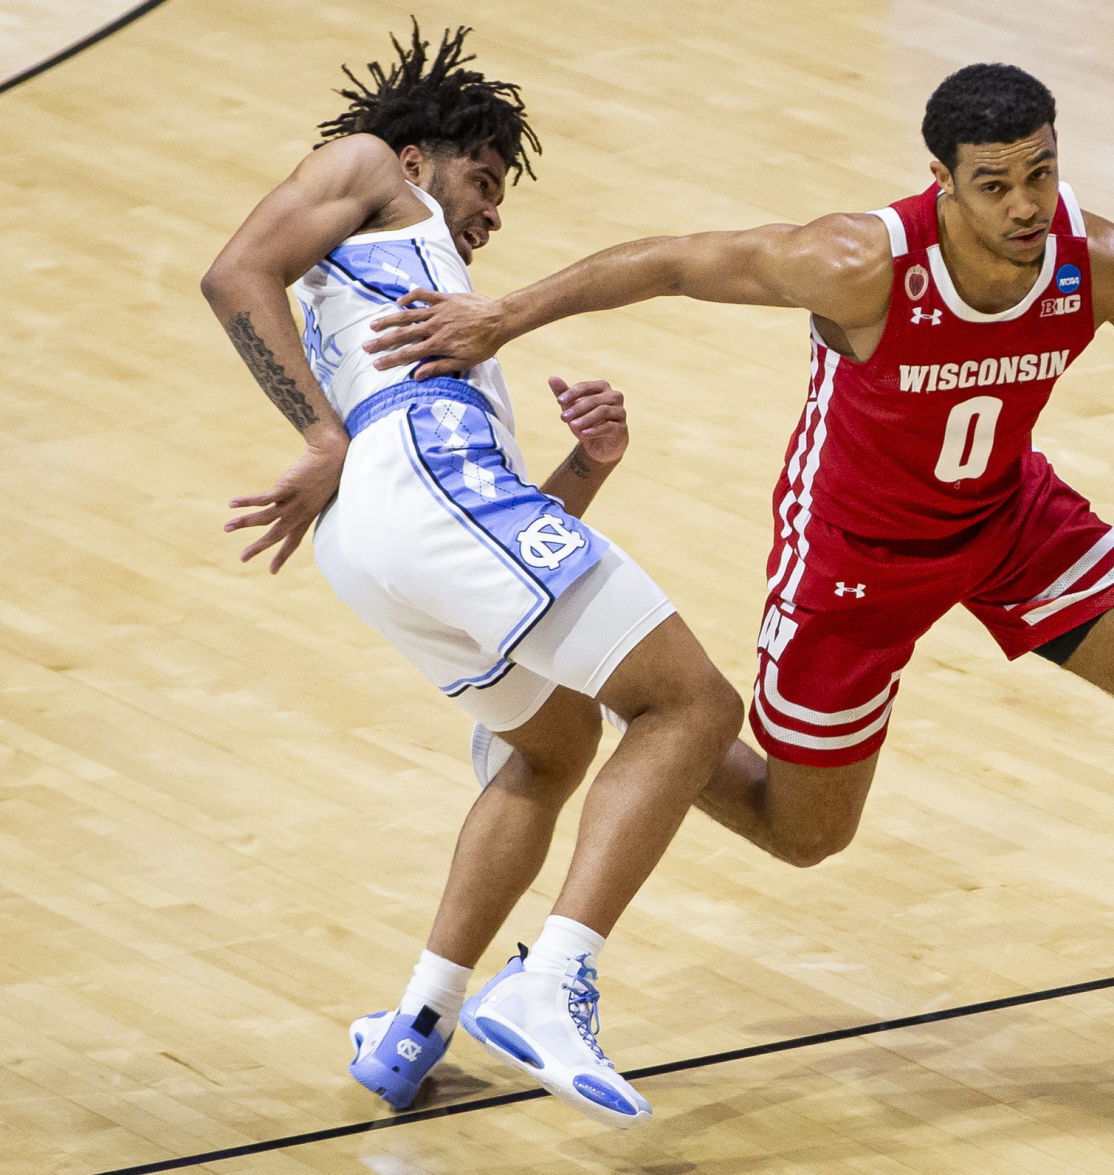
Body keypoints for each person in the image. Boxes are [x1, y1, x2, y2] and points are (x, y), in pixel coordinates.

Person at [366, 63, 1114, 1039]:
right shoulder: (858, 263)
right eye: (993, 183)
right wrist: (500, 316)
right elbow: (673, 259)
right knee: (802, 833)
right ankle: (643, 715)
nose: (1021, 204)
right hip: (853, 555)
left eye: (1039, 174)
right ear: (942, 181)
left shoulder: (1099, 260)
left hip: (1009, 520)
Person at [199, 23, 743, 1127]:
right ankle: (550, 979)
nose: (492, 210)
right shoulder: (366, 166)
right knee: (691, 705)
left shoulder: (432, 304)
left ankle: (417, 1023)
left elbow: (484, 528)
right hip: (399, 487)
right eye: (483, 178)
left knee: (551, 746)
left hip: (384, 535)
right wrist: (318, 435)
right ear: (416, 160)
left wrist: (586, 467)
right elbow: (233, 272)